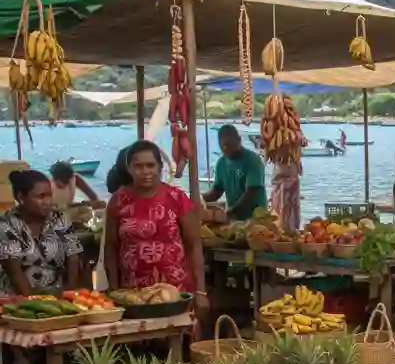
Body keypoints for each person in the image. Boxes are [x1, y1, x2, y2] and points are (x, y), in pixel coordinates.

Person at [104, 140, 207, 309]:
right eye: (138, 166)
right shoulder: (118, 201)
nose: (145, 171)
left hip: (175, 293)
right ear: (129, 168)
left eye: (150, 165)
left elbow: (194, 245)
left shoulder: (177, 198)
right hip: (133, 296)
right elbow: (111, 248)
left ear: (160, 167)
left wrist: (201, 292)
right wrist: (114, 290)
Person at [0, 170, 83, 296]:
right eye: (41, 196)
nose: (48, 202)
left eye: (50, 195)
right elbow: (14, 272)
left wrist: (71, 293)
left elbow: (73, 256)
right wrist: (35, 301)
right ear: (21, 198)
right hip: (18, 298)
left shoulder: (58, 217)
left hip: (57, 294)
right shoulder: (6, 225)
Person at [203, 124, 268, 221]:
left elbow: (251, 193)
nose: (226, 148)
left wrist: (231, 213)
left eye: (229, 144)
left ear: (239, 140)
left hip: (257, 219)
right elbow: (216, 191)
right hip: (235, 219)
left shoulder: (253, 161)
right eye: (223, 145)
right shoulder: (221, 163)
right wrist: (199, 200)